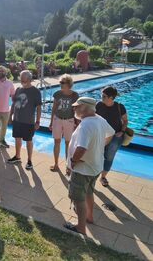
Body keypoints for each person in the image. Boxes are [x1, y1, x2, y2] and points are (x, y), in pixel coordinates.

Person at [64, 97, 114, 235]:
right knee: (88, 192)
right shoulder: (99, 119)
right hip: (95, 166)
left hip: (83, 169)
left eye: (76, 107)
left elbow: (81, 148)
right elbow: (112, 133)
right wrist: (99, 146)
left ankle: (80, 227)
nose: (74, 109)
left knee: (78, 198)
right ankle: (89, 217)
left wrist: (73, 162)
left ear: (84, 108)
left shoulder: (86, 125)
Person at [8, 70, 42, 170]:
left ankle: (29, 161)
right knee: (17, 139)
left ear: (29, 79)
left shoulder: (35, 91)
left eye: (24, 79)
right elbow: (14, 104)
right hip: (17, 120)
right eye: (21, 79)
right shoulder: (18, 89)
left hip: (29, 121)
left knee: (28, 141)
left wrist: (38, 121)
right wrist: (10, 116)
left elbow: (39, 107)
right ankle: (17, 156)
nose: (22, 81)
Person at [96, 86, 128, 187]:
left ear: (111, 97)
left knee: (109, 157)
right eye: (102, 95)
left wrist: (122, 132)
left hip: (115, 136)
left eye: (104, 96)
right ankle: (93, 176)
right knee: (97, 155)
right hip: (101, 135)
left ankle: (103, 177)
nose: (102, 97)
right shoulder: (99, 105)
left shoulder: (119, 107)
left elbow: (125, 121)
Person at [49, 74, 79, 172]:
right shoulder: (57, 94)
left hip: (69, 121)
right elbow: (54, 108)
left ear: (69, 84)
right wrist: (51, 122)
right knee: (56, 142)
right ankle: (56, 164)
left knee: (68, 144)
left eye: (63, 83)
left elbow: (76, 111)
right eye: (60, 82)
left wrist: (77, 124)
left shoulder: (75, 95)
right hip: (57, 119)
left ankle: (68, 166)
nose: (60, 84)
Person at [0, 66, 15, 151]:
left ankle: (2, 140)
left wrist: (16, 106)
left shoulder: (10, 83)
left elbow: (13, 95)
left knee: (4, 127)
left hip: (5, 110)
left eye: (2, 71)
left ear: (5, 72)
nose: (1, 72)